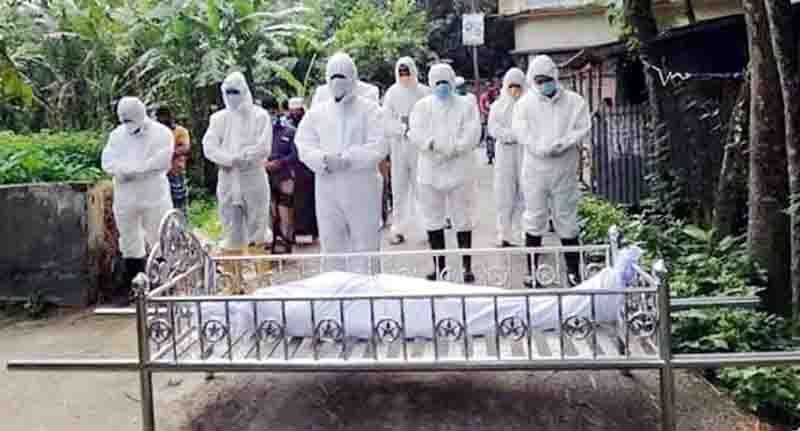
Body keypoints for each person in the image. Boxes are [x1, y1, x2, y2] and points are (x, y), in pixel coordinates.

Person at [295, 52, 388, 274]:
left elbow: (380, 145)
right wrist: (322, 160)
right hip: (327, 187)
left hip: (362, 186)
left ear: (353, 77)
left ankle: (367, 289)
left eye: (342, 77)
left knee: (365, 242)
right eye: (333, 77)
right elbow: (303, 143)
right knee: (331, 242)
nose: (338, 82)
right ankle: (334, 289)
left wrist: (350, 159)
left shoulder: (370, 110)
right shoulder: (318, 113)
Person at [512, 55, 591, 288]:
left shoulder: (574, 102)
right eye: (539, 81)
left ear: (555, 77)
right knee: (534, 217)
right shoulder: (525, 104)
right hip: (535, 169)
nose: (544, 84)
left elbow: (582, 127)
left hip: (564, 167)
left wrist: (564, 143)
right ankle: (532, 272)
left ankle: (573, 272)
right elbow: (521, 131)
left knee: (566, 218)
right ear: (532, 81)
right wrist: (538, 147)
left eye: (547, 79)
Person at [409, 63, 481, 283]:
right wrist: (433, 145)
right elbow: (415, 132)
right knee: (433, 220)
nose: (442, 86)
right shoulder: (422, 107)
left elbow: (473, 132)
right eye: (438, 82)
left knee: (463, 218)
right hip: (430, 171)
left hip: (459, 169)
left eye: (445, 82)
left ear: (452, 82)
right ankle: (439, 267)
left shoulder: (466, 105)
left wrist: (455, 148)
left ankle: (466, 266)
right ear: (432, 84)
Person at [203, 71, 273, 289]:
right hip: (227, 180)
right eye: (228, 92)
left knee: (258, 228)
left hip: (253, 178)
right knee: (230, 230)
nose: (232, 96)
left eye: (236, 92)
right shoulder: (218, 119)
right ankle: (233, 285)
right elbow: (209, 147)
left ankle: (263, 284)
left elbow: (263, 147)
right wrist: (228, 159)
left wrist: (243, 157)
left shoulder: (259, 116)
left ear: (244, 91)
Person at [102, 97, 174, 302]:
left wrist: (132, 170)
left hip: (153, 195)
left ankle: (164, 285)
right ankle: (135, 286)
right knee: (129, 239)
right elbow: (108, 162)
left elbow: (161, 161)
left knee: (159, 237)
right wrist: (129, 170)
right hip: (126, 196)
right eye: (124, 120)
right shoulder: (117, 136)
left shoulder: (161, 133)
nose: (128, 124)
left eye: (130, 119)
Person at [382, 57, 430, 245]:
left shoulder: (424, 92)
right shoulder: (392, 93)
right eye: (401, 72)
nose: (404, 76)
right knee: (399, 189)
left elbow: (430, 117)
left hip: (419, 147)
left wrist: (416, 129)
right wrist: (402, 128)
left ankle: (428, 226)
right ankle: (398, 228)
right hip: (399, 146)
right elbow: (385, 120)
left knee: (422, 187)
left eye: (407, 72)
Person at [488, 67, 526, 248]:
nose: (514, 90)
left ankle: (525, 233)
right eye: (511, 86)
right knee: (504, 194)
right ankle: (504, 234)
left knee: (526, 193)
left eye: (518, 86)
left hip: (524, 151)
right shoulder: (498, 106)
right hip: (504, 152)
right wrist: (510, 135)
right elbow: (493, 128)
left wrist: (520, 135)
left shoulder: (528, 105)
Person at [264, 97, 300, 254]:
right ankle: (271, 245)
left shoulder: (290, 131)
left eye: (272, 111)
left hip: (285, 176)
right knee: (270, 211)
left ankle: (286, 242)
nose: (270, 115)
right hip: (265, 176)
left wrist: (280, 162)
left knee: (285, 209)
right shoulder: (259, 134)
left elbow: (296, 155)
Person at [154, 107, 191, 219]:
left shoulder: (180, 131)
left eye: (163, 117)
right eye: (159, 118)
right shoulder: (156, 133)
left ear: (169, 117)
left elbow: (185, 148)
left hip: (175, 171)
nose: (161, 120)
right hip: (160, 173)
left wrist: (168, 153)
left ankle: (182, 225)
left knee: (179, 200)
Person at [479, 81, 499, 165]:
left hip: (495, 121)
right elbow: (482, 108)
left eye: (491, 86)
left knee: (496, 138)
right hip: (487, 121)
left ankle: (496, 155)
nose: (490, 88)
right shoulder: (483, 97)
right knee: (489, 139)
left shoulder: (496, 97)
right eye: (488, 87)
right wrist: (489, 114)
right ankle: (490, 156)